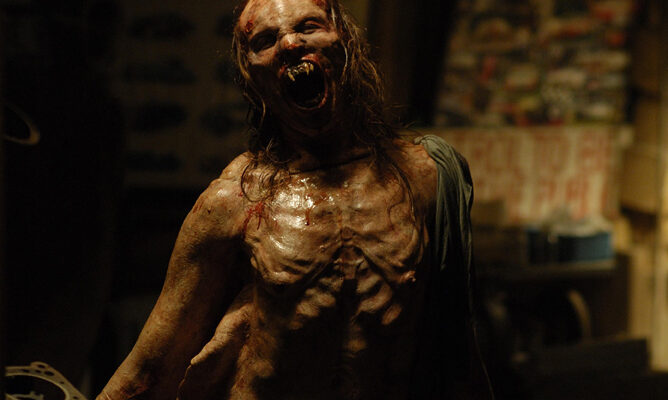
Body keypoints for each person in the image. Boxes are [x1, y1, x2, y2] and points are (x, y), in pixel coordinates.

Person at [98, 0, 493, 398]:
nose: (289, 44)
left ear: (346, 42)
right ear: (251, 76)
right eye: (265, 40)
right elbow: (149, 370)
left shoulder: (426, 177)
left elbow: (460, 349)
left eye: (308, 26)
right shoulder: (235, 200)